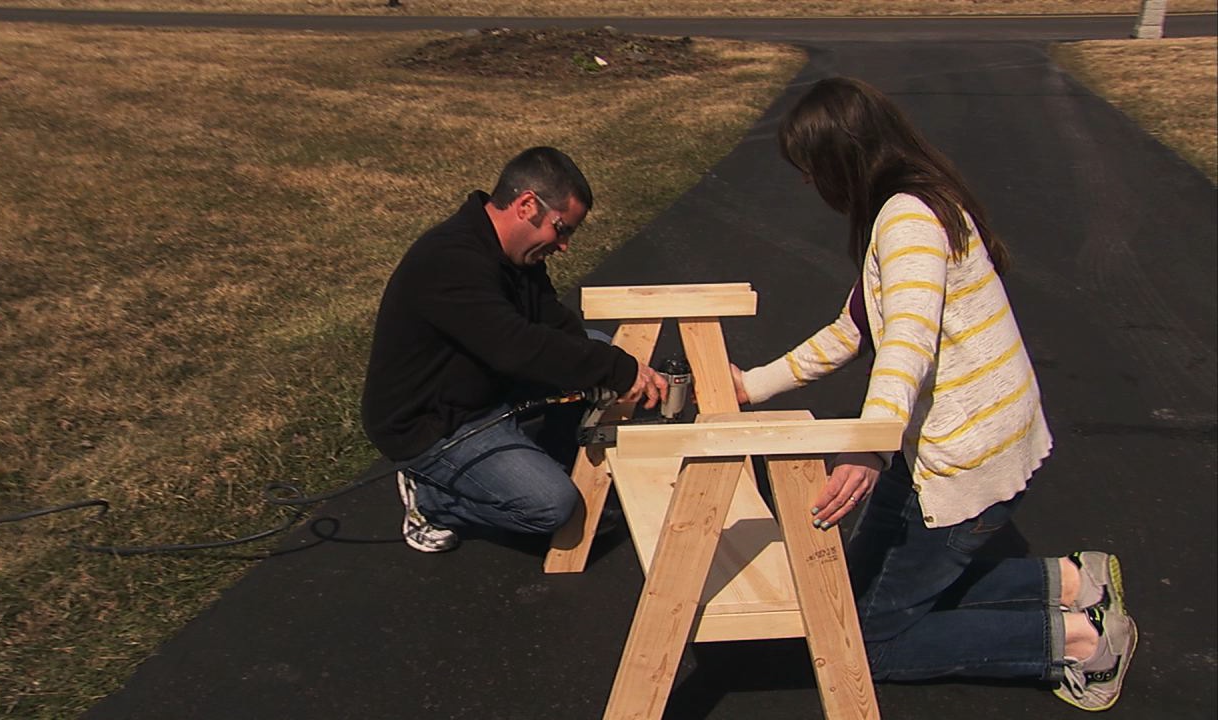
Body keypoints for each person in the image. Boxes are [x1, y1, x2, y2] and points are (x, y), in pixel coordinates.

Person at [729, 77, 1136, 712]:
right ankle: (1070, 580)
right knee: (849, 588)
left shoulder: (907, 219)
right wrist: (747, 387)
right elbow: (854, 330)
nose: (808, 183)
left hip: (963, 455)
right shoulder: (907, 205)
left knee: (863, 638)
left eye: (811, 168)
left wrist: (866, 448)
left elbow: (907, 345)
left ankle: (1079, 642)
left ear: (844, 158)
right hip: (930, 445)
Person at [362, 146, 667, 554]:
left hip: (487, 388)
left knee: (594, 345)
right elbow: (516, 348)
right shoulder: (448, 259)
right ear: (527, 205)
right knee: (552, 507)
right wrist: (614, 369)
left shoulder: (512, 255)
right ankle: (433, 499)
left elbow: (550, 320)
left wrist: (615, 367)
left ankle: (552, 456)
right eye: (563, 229)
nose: (564, 246)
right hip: (433, 424)